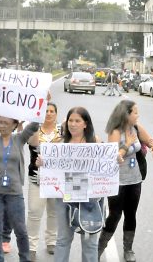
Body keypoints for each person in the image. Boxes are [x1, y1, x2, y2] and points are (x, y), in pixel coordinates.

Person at [0, 109, 40, 262]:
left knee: (21, 231)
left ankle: (24, 258)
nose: (2, 125)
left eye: (6, 123)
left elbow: (35, 124)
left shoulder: (19, 139)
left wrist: (41, 100)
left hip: (14, 193)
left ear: (14, 125)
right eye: (0, 122)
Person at [99, 100, 153, 262]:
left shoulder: (136, 128)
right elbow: (112, 158)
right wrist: (128, 145)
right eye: (135, 112)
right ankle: (98, 249)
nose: (138, 115)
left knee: (131, 214)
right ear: (126, 114)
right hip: (117, 181)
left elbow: (150, 141)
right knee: (115, 215)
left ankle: (128, 249)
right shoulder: (115, 132)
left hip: (135, 179)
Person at [51, 106, 102, 262]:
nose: (73, 124)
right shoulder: (59, 143)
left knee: (90, 242)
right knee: (63, 239)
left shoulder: (96, 142)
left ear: (85, 124)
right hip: (65, 197)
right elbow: (51, 167)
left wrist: (116, 161)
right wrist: (43, 163)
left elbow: (104, 167)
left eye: (77, 121)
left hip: (89, 198)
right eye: (70, 121)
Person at [26, 103, 63, 260]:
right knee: (34, 212)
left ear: (56, 114)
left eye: (51, 111)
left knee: (54, 212)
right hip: (37, 178)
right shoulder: (34, 130)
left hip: (56, 179)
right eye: (45, 111)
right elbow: (33, 144)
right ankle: (31, 246)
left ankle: (51, 241)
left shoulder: (63, 130)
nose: (48, 113)